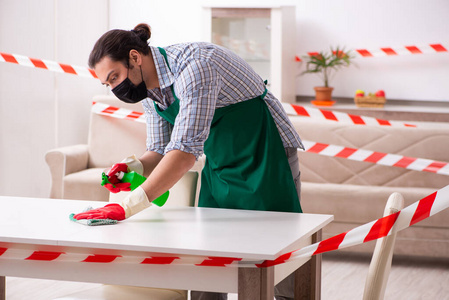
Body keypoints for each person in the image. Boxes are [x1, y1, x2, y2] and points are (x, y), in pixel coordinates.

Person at [74, 23, 304, 300]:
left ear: (135, 58)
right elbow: (160, 148)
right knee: (208, 257)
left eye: (115, 77)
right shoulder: (148, 88)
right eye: (107, 84)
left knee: (276, 255)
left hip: (267, 157)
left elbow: (183, 152)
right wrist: (132, 167)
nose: (115, 88)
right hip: (220, 165)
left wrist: (128, 205)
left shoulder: (196, 67)